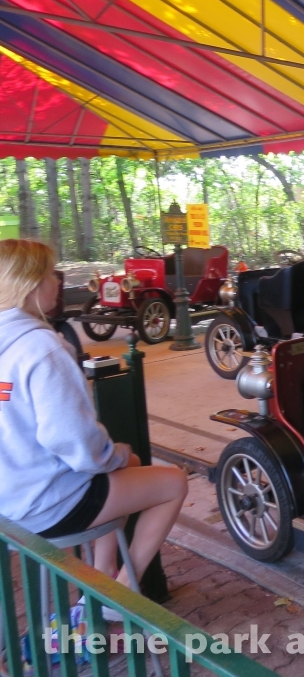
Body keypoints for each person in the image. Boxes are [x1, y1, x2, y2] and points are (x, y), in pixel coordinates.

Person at [0, 239, 187, 599]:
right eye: (51, 275)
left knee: (126, 466)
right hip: (44, 505)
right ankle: (122, 595)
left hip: (9, 498)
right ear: (30, 284)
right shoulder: (41, 348)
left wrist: (115, 459)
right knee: (173, 481)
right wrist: (114, 454)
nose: (57, 283)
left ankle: (102, 574)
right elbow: (72, 440)